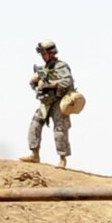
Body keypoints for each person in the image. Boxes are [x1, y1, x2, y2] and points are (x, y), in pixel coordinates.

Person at [21, 39, 75, 169]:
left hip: (58, 101)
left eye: (44, 54)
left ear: (51, 53)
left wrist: (49, 84)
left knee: (60, 130)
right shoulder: (44, 69)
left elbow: (67, 82)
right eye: (42, 54)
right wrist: (35, 84)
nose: (43, 56)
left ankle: (62, 159)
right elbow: (36, 86)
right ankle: (34, 154)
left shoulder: (60, 66)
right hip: (46, 102)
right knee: (35, 125)